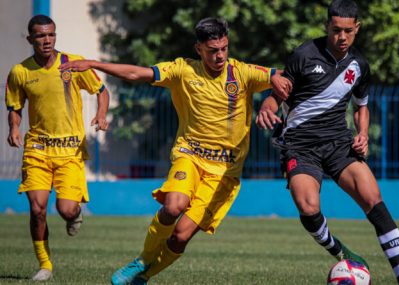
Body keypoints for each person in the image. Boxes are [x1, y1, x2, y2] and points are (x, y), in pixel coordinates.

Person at [60, 17, 291, 285]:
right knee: (173, 206)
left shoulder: (242, 72)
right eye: (213, 50)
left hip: (225, 173)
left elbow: (284, 77)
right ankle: (144, 259)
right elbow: (137, 73)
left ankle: (144, 276)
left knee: (181, 236)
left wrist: (270, 103)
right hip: (189, 156)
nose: (220, 55)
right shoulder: (183, 70)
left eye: (224, 48)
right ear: (199, 49)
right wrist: (95, 64)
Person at [256, 1, 399, 284]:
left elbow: (361, 106)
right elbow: (277, 94)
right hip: (301, 146)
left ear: (357, 29)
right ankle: (340, 251)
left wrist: (362, 134)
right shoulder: (304, 54)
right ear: (327, 26)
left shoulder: (360, 65)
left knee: (373, 200)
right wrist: (268, 106)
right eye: (336, 30)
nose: (342, 37)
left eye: (348, 31)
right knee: (308, 207)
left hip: (339, 144)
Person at [5, 15, 110, 281]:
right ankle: (45, 265)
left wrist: (101, 114)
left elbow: (102, 90)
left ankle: (74, 215)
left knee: (65, 209)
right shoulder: (20, 72)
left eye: (51, 35)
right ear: (30, 39)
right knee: (37, 208)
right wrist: (14, 128)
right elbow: (15, 107)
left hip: (70, 152)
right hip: (37, 150)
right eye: (40, 36)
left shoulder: (72, 64)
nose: (47, 40)